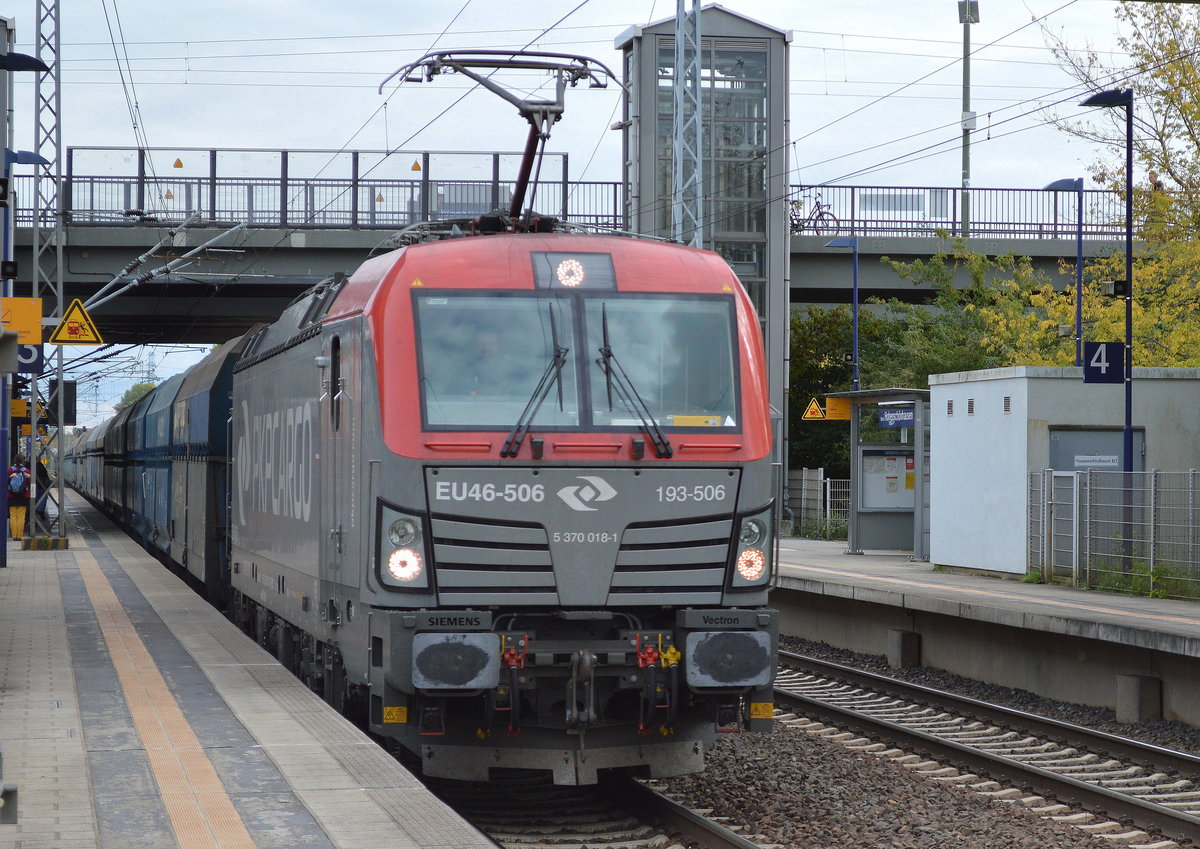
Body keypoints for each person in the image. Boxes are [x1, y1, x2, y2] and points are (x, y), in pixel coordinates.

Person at [7, 455, 30, 542]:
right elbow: (29, 482)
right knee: (21, 516)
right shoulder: (26, 471)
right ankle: (19, 536)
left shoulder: (9, 470)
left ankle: (14, 536)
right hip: (23, 496)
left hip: (11, 496)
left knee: (13, 516)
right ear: (23, 461)